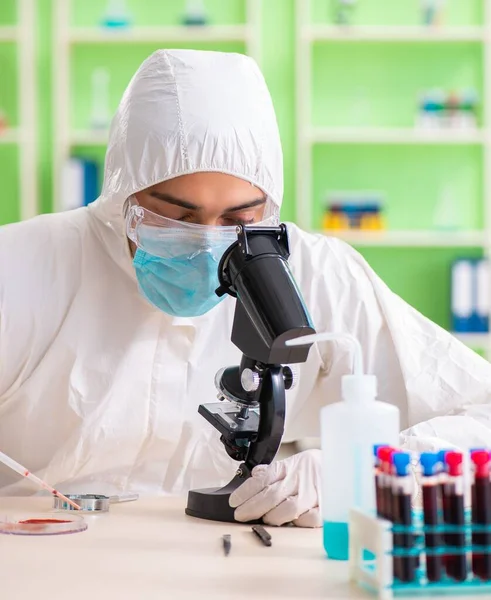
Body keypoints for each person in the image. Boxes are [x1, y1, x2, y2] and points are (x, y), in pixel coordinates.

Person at [1, 49, 491, 527]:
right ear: (122, 194)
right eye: (175, 217)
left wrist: (361, 470)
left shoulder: (315, 274)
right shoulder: (25, 266)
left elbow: (481, 414)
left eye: (238, 219)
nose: (204, 243)